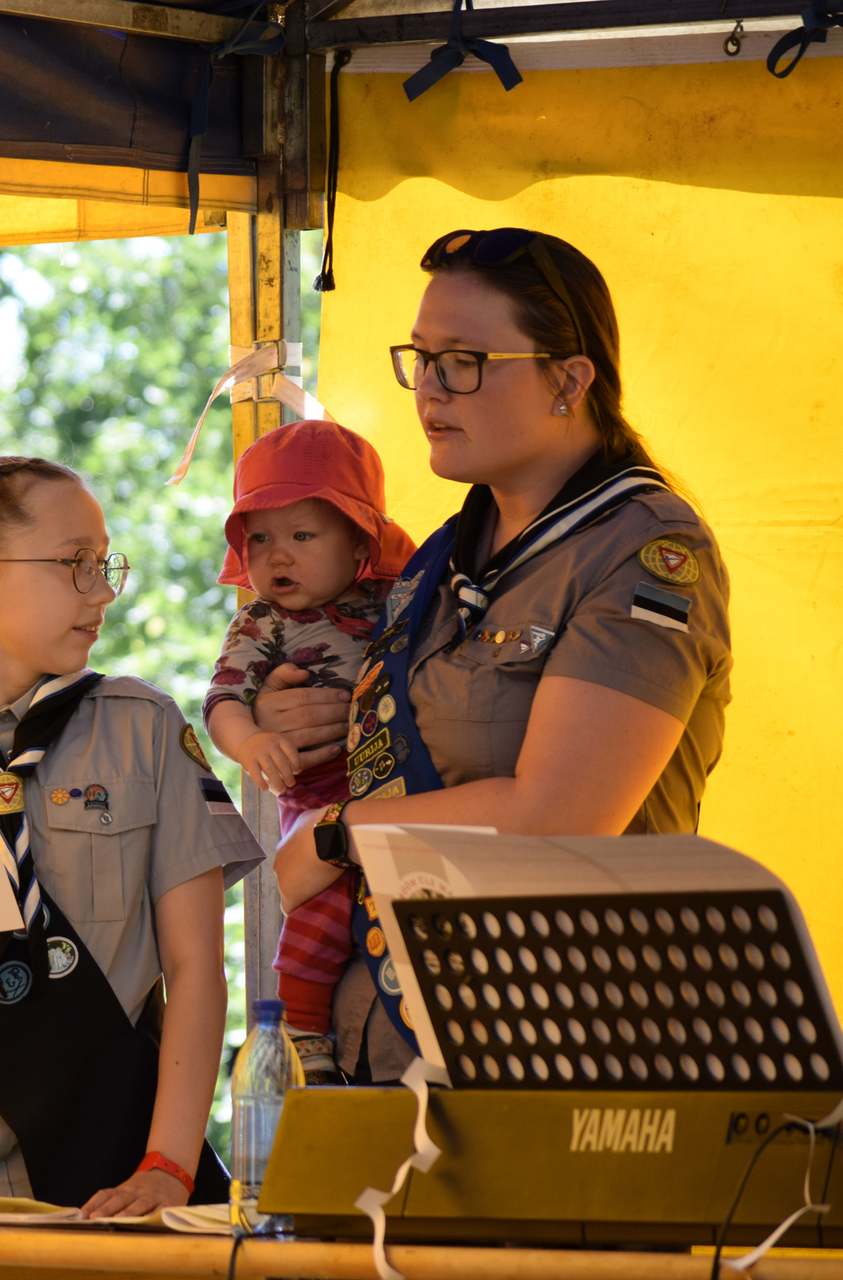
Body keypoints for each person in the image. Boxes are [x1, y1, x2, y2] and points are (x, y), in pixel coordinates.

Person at [260, 229, 733, 1084]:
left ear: (569, 380)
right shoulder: (437, 558)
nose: (429, 389)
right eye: (421, 359)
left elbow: (559, 814)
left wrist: (337, 834)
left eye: (465, 362)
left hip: (562, 1047)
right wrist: (286, 705)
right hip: (391, 1031)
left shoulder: (646, 552)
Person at [0, 456, 263, 1216]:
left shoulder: (144, 728)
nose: (103, 591)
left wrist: (168, 1165)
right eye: (76, 564)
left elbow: (196, 971)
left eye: (104, 564)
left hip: (100, 1166)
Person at [203, 420, 415, 1082]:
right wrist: (252, 739)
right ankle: (300, 1023)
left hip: (400, 784)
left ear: (359, 540)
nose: (278, 558)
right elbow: (223, 700)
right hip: (321, 788)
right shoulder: (263, 621)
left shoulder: (401, 599)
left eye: (302, 536)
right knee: (325, 898)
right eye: (260, 539)